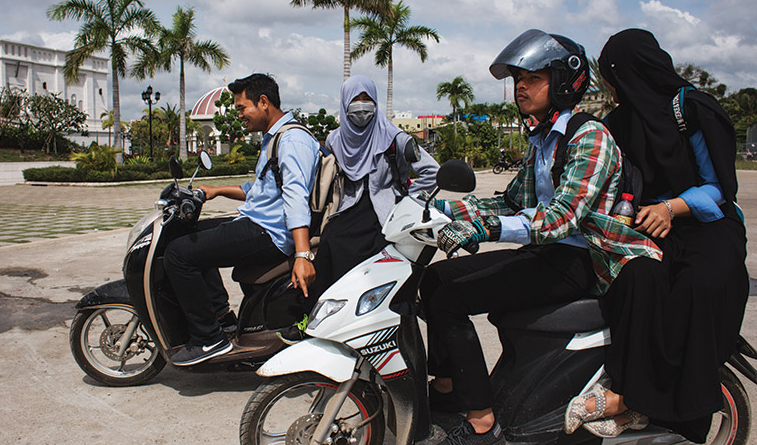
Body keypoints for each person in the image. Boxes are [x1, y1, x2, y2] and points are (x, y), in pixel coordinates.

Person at [421, 29, 662, 445]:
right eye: (517, 80)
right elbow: (511, 202)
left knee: (449, 299)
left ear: (565, 81)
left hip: (582, 260)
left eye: (532, 78)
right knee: (434, 280)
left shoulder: (590, 137)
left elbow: (563, 219)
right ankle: (449, 388)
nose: (520, 88)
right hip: (547, 254)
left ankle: (482, 423)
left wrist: (487, 229)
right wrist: (433, 210)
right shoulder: (541, 139)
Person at [564, 29, 749, 442]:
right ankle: (632, 394)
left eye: (607, 73)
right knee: (635, 279)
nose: (608, 85)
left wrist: (670, 208)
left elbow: (719, 186)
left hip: (707, 224)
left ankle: (680, 410)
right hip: (651, 224)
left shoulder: (692, 108)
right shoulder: (617, 123)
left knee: (697, 286)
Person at [164, 73, 320, 366]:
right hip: (257, 223)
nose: (239, 116)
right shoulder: (274, 138)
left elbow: (296, 198)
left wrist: (302, 254)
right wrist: (217, 190)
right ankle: (222, 317)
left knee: (178, 255)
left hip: (269, 233)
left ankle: (207, 339)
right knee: (187, 236)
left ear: (263, 102)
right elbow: (260, 191)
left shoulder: (293, 140)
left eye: (241, 108)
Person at [277, 74, 439, 344]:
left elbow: (431, 172)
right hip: (348, 208)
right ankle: (314, 319)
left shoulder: (393, 137)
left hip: (385, 213)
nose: (362, 108)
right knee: (330, 244)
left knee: (377, 268)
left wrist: (408, 201)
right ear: (344, 104)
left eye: (367, 100)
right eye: (355, 100)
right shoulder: (335, 139)